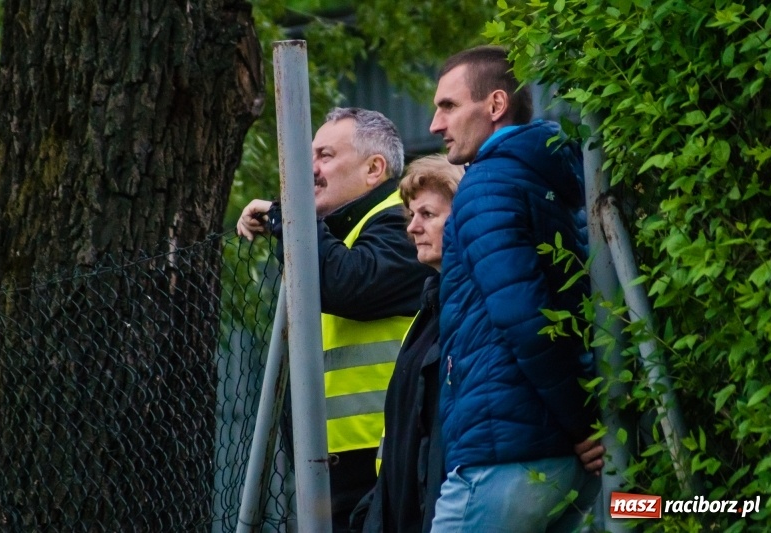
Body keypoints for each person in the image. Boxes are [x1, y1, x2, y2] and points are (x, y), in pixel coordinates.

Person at [428, 46, 603, 531]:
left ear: (496, 105)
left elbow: (525, 319)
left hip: (505, 462)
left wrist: (580, 425)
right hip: (557, 457)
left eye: (448, 106)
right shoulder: (549, 182)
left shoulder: (487, 184)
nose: (434, 125)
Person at [237, 107, 435, 532]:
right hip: (338, 463)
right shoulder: (343, 231)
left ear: (373, 168)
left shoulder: (406, 223)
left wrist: (285, 215)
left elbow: (345, 285)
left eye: (325, 155)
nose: (309, 169)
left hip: (385, 457)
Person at [360, 155, 464, 533]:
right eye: (410, 217)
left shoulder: (470, 308)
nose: (413, 228)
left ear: (465, 217)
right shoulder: (429, 309)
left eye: (428, 215)